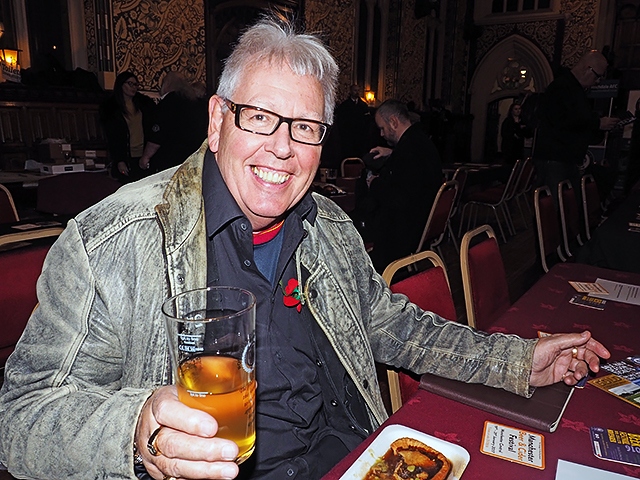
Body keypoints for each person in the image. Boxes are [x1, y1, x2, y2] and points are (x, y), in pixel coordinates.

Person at [0, 17, 610, 480]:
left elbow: (399, 329)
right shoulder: (110, 244)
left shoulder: (329, 228)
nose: (283, 148)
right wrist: (134, 430)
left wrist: (516, 362)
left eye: (305, 127)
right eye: (260, 118)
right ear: (217, 122)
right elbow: (20, 416)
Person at [361, 99, 444, 273]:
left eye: (382, 128)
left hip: (404, 232)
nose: (382, 134)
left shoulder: (408, 150)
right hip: (422, 224)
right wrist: (392, 153)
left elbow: (397, 197)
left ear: (393, 122)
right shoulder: (419, 141)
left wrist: (373, 182)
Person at [533, 50, 619, 204]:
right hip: (555, 159)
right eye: (598, 76)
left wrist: (599, 127)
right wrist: (597, 123)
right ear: (588, 68)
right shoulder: (561, 87)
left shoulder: (575, 90)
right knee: (555, 207)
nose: (598, 81)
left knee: (568, 207)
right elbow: (563, 121)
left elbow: (578, 121)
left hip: (566, 158)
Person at [139, 71, 209, 173]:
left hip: (170, 161)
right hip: (194, 159)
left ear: (166, 84)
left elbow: (157, 134)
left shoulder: (168, 103)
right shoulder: (198, 103)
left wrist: (145, 157)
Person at [100, 71, 157, 183]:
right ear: (121, 85)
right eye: (130, 84)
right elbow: (113, 136)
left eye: (135, 84)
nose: (133, 87)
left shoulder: (144, 104)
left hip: (143, 153)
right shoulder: (111, 107)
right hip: (126, 154)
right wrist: (119, 160)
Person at [333, 84, 373, 159]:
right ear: (351, 91)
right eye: (355, 90)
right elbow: (340, 122)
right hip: (348, 137)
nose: (357, 92)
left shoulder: (363, 105)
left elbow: (367, 120)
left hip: (360, 137)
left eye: (358, 90)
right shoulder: (344, 106)